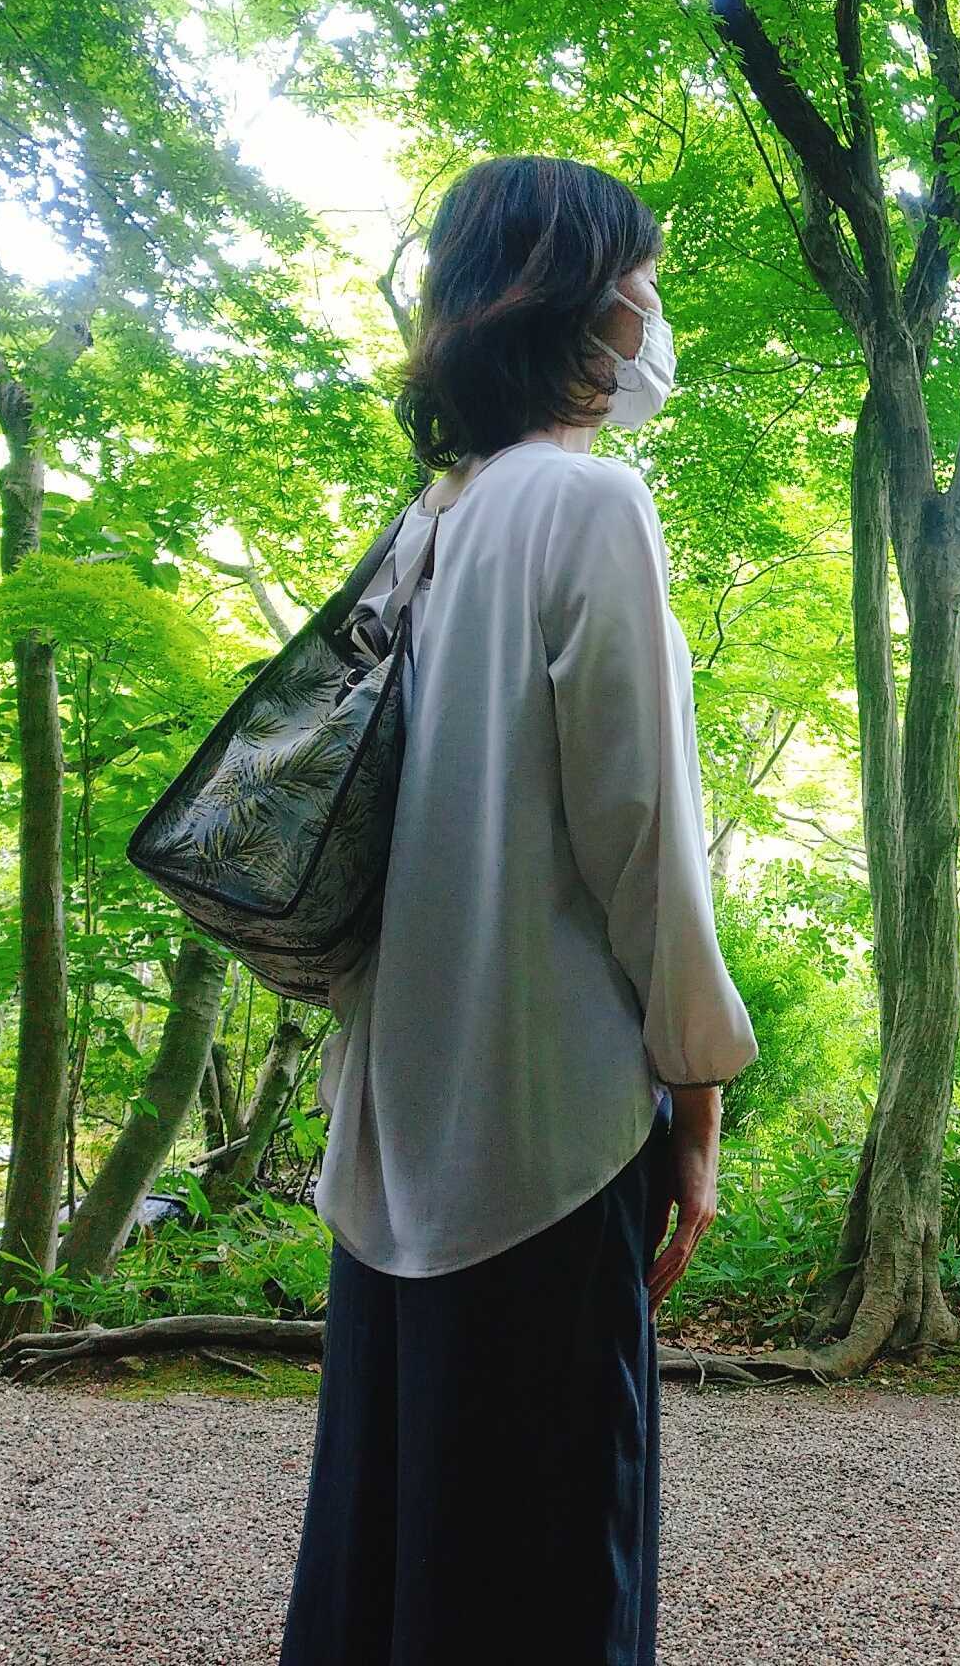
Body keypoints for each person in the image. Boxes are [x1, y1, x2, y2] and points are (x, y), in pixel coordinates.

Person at [278, 154, 759, 1666]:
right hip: (549, 1136)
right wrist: (696, 1089)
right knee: (551, 1569)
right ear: (583, 297)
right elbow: (639, 836)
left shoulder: (434, 525)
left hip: (397, 1135)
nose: (654, 312)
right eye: (647, 278)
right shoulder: (586, 505)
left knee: (395, 1553)